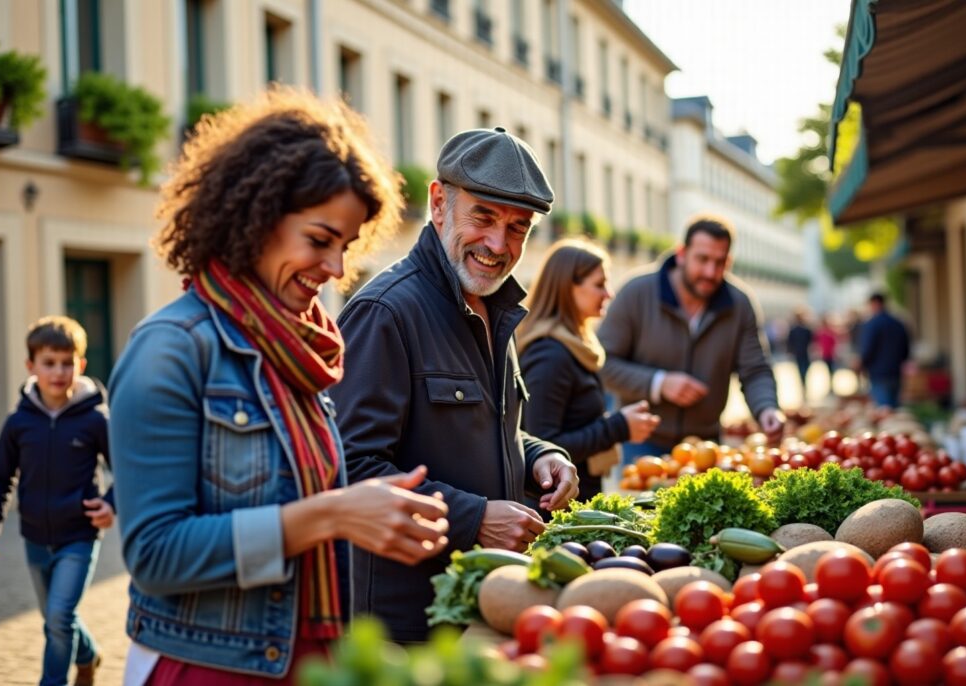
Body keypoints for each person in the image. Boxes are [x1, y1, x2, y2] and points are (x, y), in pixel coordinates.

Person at [108, 89, 450, 684]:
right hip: (206, 667)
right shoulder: (171, 347)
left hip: (305, 655)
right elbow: (155, 554)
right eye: (319, 240)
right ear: (254, 219)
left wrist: (368, 508)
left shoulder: (298, 349)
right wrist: (334, 513)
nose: (337, 269)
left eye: (345, 247)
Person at [331, 127, 579, 643]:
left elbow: (485, 430)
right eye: (483, 217)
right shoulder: (386, 312)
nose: (498, 244)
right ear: (439, 203)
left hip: (480, 603)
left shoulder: (494, 305)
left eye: (518, 228)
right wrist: (472, 518)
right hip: (405, 623)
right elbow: (349, 468)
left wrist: (540, 456)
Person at [0, 316, 112, 686]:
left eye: (67, 363)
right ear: (31, 366)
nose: (58, 371)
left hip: (80, 536)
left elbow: (126, 469)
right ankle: (88, 655)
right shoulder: (19, 423)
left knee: (58, 618)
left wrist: (111, 503)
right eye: (49, 362)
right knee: (56, 618)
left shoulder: (96, 420)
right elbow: (0, 477)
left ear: (80, 365)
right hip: (35, 538)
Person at [598, 214, 783, 459]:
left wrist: (766, 408)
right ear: (682, 253)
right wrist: (659, 383)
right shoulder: (636, 292)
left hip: (706, 444)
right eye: (703, 259)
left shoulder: (740, 304)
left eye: (720, 262)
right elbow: (602, 363)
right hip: (641, 441)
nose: (710, 271)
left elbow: (755, 369)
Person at [517, 240, 660, 502]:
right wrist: (618, 427)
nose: (609, 293)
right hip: (555, 508)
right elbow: (543, 444)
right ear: (567, 288)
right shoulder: (550, 354)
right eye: (599, 284)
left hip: (576, 499)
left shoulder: (573, 346)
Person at [859, 293, 911, 408]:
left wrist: (862, 364)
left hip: (878, 373)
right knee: (894, 409)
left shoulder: (872, 324)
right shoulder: (898, 323)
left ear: (874, 304)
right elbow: (906, 349)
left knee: (884, 411)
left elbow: (868, 349)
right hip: (895, 371)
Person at [787, 310, 813, 397]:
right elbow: (790, 342)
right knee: (801, 370)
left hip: (804, 353)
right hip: (800, 353)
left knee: (804, 370)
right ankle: (803, 386)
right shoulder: (795, 330)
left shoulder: (806, 330)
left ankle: (804, 385)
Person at [816, 315, 839, 396]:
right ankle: (830, 386)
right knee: (828, 371)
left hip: (830, 355)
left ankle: (831, 386)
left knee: (831, 371)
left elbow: (834, 344)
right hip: (826, 355)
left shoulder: (829, 333)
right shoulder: (822, 333)